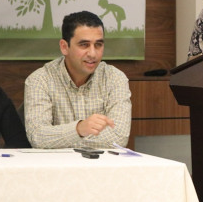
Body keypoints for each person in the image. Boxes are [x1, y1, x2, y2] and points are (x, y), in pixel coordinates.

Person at [24, 11, 131, 149]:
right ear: (64, 47)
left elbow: (119, 138)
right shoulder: (40, 80)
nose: (92, 53)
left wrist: (67, 138)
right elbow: (38, 137)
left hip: (101, 162)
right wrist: (78, 129)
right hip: (57, 163)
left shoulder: (115, 78)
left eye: (98, 44)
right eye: (84, 45)